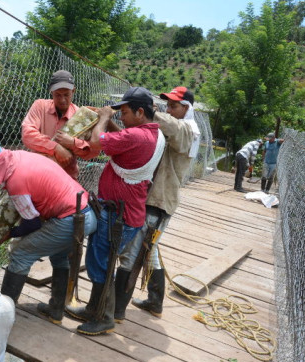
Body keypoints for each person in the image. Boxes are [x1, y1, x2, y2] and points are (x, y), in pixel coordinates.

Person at [66, 87, 165, 336]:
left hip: (119, 216)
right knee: (101, 261)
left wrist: (102, 119)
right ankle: (94, 308)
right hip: (123, 212)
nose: (121, 117)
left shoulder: (138, 137)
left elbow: (98, 142)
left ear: (140, 112)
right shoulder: (152, 134)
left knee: (102, 264)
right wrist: (109, 121)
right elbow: (123, 138)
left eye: (125, 112)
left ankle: (104, 316)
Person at [0, 139, 97, 324]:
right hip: (86, 213)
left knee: (20, 253)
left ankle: (2, 318)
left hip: (69, 220)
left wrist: (11, 233)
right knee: (59, 255)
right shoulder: (20, 156)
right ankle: (56, 310)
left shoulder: (16, 183)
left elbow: (32, 224)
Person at [114, 86, 198, 321]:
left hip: (159, 201)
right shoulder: (175, 128)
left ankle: (115, 310)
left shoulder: (188, 130)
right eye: (167, 105)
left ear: (187, 108)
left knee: (133, 252)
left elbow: (172, 127)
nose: (169, 110)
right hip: (155, 198)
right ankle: (154, 301)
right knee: (151, 253)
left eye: (174, 106)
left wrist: (147, 111)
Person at [21, 70, 100, 179]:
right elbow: (27, 135)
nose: (62, 100)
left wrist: (72, 143)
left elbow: (93, 151)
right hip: (38, 174)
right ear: (51, 92)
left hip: (67, 177)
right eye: (58, 95)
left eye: (66, 95)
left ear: (73, 91)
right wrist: (56, 147)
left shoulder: (81, 116)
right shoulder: (40, 106)